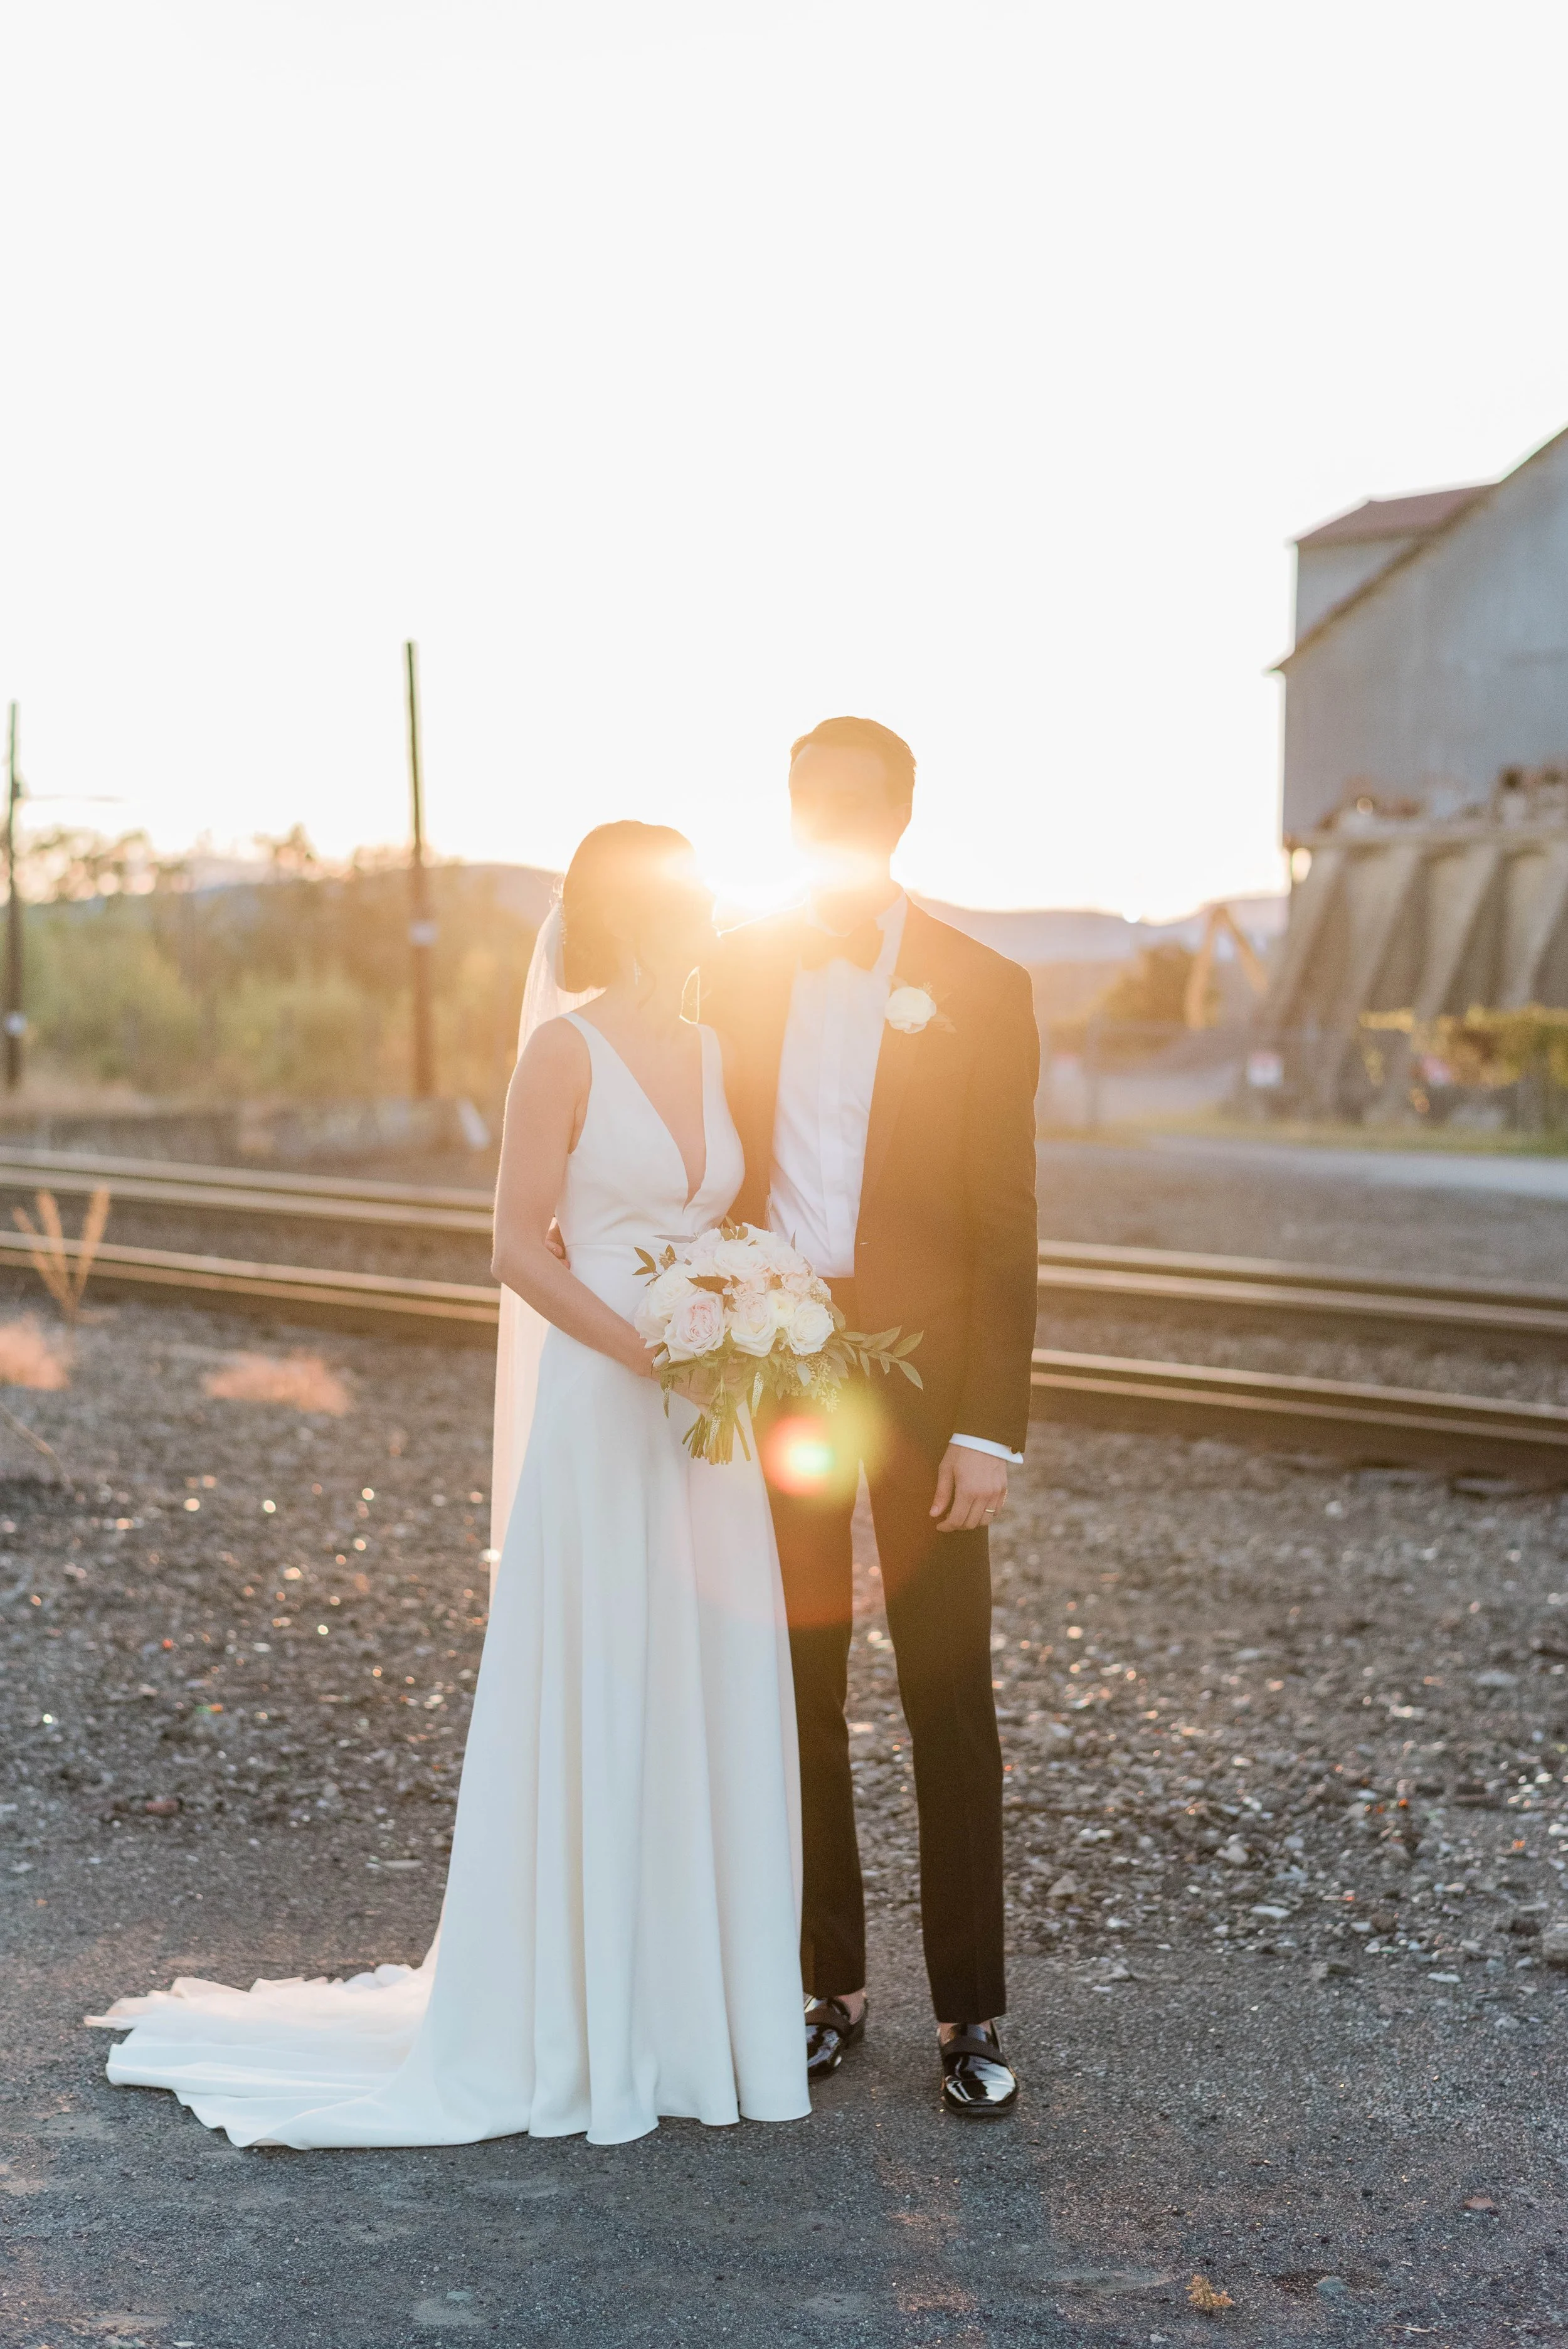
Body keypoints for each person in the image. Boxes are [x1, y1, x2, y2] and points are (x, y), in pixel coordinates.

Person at [89, 822, 810, 2147]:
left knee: (699, 1684)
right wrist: (652, 1343)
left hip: (707, 1421)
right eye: (691, 898)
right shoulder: (563, 1050)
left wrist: (741, 1319)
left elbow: (713, 1225)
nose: (711, 915)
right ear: (633, 912)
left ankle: (690, 2016)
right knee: (607, 1677)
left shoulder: (711, 1053)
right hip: (611, 1401)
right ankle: (577, 2013)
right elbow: (516, 1250)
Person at [703, 716, 1039, 2118]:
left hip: (925, 1389)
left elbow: (1006, 1222)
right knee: (798, 1685)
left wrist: (989, 1426)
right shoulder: (729, 970)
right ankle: (820, 1988)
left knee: (947, 1691)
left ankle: (970, 2013)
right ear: (789, 815)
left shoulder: (982, 982)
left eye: (854, 804)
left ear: (899, 815)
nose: (832, 822)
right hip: (779, 1374)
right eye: (810, 804)